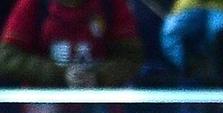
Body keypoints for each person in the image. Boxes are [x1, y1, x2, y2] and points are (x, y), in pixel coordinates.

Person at [0, 0, 144, 86]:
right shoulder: (34, 4)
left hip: (102, 106)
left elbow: (131, 57)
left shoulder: (111, 4)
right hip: (42, 107)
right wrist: (60, 74)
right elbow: (6, 58)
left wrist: (98, 76)